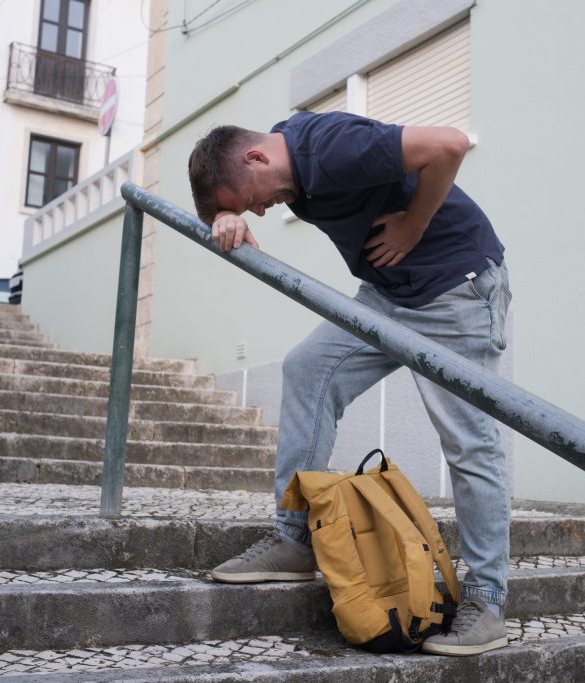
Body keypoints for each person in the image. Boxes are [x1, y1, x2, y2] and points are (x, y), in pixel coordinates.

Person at [187, 111, 512, 657]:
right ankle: (295, 539)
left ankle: (486, 601)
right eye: (251, 210)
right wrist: (226, 215)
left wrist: (412, 223)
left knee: (469, 441)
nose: (262, 210)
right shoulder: (277, 156)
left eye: (253, 200)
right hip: (388, 297)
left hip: (455, 292)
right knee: (308, 368)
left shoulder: (334, 148)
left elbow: (449, 144)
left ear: (257, 158)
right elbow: (228, 179)